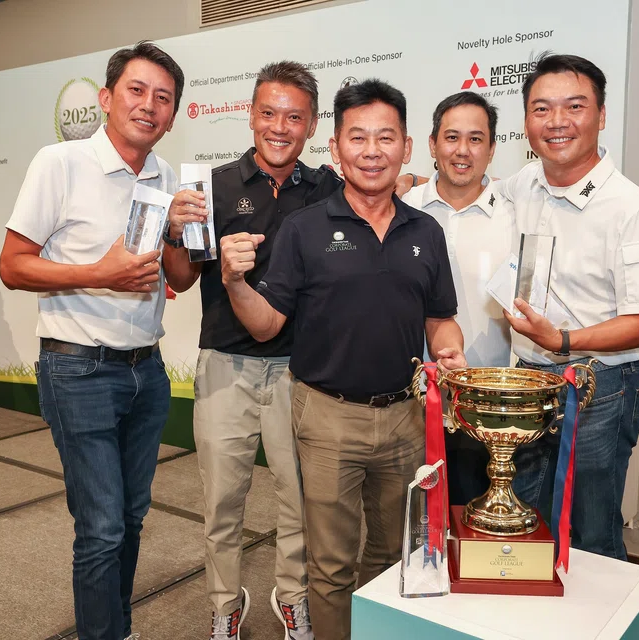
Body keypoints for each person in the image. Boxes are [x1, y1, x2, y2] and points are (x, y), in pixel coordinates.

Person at [218, 79, 466, 640]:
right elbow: (265, 325)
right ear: (335, 148)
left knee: (389, 556)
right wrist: (235, 282)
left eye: (386, 138)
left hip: (405, 417)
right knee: (329, 567)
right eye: (358, 138)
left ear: (406, 148)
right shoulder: (305, 230)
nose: (372, 150)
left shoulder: (426, 230)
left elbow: (439, 316)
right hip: (326, 417)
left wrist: (448, 346)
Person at [0, 41, 201, 640]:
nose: (149, 106)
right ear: (107, 99)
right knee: (102, 527)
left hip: (147, 371)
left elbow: (182, 280)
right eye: (136, 92)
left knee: (132, 518)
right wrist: (96, 275)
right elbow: (13, 265)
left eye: (163, 98)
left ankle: (118, 628)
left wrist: (179, 232)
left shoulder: (166, 176)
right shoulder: (58, 163)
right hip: (77, 371)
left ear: (172, 114)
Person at [163, 60, 341, 640]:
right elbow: (183, 278)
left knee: (300, 499)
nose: (280, 126)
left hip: (303, 371)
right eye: (269, 113)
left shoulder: (330, 192)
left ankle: (292, 598)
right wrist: (172, 232)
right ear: (251, 115)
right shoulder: (209, 185)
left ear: (312, 125)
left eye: (294, 117)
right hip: (225, 366)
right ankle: (224, 604)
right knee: (222, 501)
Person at [495, 53, 639, 560]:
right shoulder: (524, 185)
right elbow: (468, 194)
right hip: (531, 379)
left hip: (599, 387)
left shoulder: (630, 208)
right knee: (523, 519)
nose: (556, 122)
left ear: (601, 115)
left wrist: (565, 341)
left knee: (590, 532)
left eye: (573, 106)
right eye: (541, 108)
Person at [401, 91, 516, 507]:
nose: (462, 151)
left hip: (487, 411)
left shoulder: (514, 215)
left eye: (475, 139)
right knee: (410, 530)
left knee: (475, 530)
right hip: (409, 407)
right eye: (451, 138)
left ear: (492, 149)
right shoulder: (402, 208)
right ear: (432, 144)